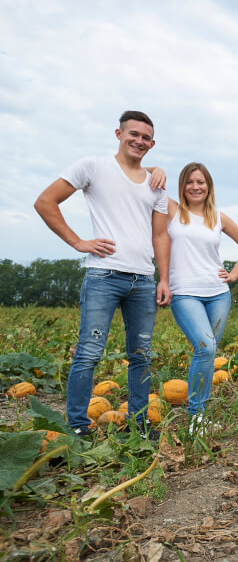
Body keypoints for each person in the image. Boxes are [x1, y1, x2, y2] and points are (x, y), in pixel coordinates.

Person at [34, 110, 170, 439]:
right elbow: (45, 202)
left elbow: (161, 236)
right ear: (119, 134)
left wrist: (163, 278)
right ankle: (78, 427)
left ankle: (139, 423)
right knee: (89, 353)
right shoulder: (92, 166)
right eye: (133, 134)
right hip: (103, 276)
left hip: (142, 280)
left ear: (152, 144)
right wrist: (78, 241)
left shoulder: (156, 184)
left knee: (141, 355)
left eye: (146, 138)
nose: (139, 141)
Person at [167, 162, 238, 435]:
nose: (195, 187)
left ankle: (200, 416)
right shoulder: (171, 210)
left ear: (209, 186)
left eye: (201, 182)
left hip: (217, 293)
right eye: (190, 182)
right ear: (182, 186)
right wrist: (157, 168)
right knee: (205, 347)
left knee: (209, 350)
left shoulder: (218, 217)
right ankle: (195, 417)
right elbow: (145, 180)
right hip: (183, 292)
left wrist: (234, 273)